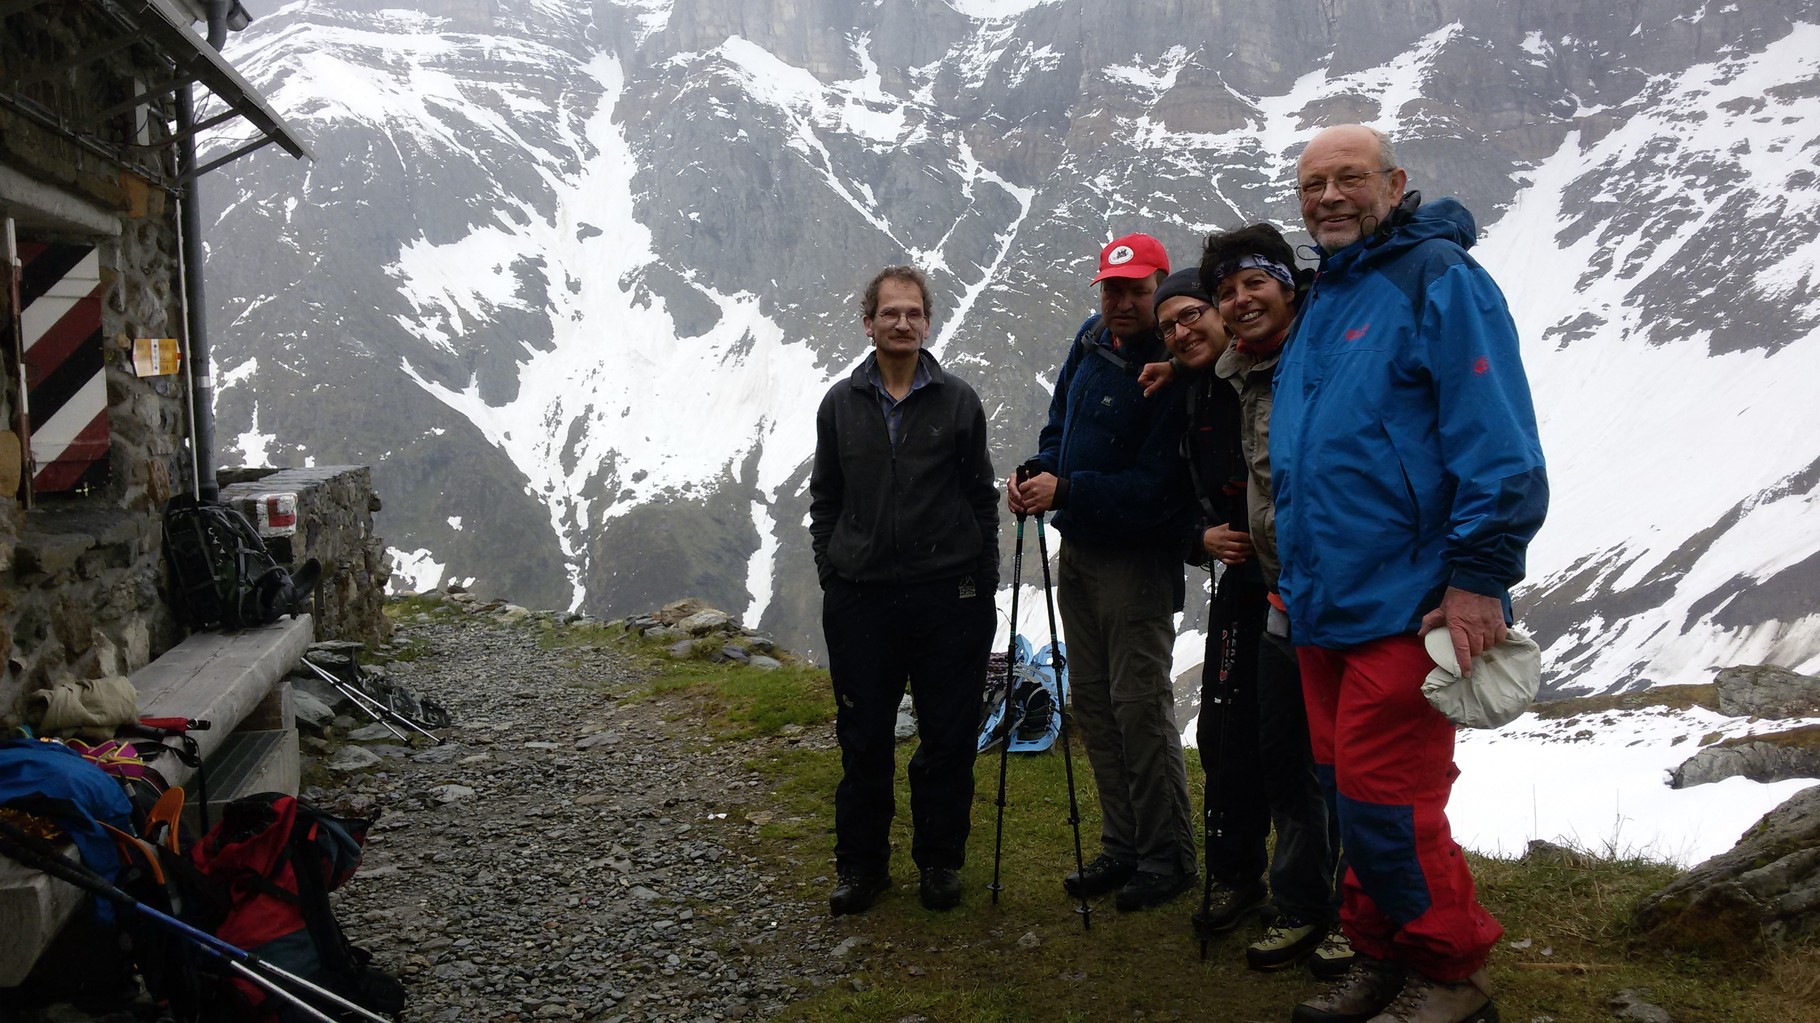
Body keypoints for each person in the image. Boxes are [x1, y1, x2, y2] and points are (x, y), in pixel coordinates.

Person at [1274, 126, 1547, 1023]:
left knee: (1388, 799)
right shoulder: (1328, 291)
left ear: (1394, 185)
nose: (1329, 197)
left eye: (1349, 179)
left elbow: (1497, 440)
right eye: (1313, 185)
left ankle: (1450, 972)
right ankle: (1382, 952)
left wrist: (1478, 576)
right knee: (1344, 792)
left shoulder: (1439, 279)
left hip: (1409, 603)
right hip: (1325, 603)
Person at [1008, 234, 1196, 912]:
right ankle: (1123, 845)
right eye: (1112, 289)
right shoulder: (1091, 340)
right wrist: (1038, 471)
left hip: (1137, 560)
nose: (1121, 302)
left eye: (1137, 290)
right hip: (1082, 551)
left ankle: (1167, 856)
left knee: (1139, 705)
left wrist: (1067, 489)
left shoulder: (1173, 369)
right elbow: (1060, 425)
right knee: (1091, 699)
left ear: (1159, 287)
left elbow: (1157, 489)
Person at [808, 265, 1001, 916]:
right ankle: (861, 867)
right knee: (863, 738)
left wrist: (981, 586)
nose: (902, 323)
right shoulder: (840, 404)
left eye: (913, 312)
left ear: (928, 322)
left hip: (948, 598)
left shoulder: (958, 402)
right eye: (889, 312)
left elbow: (980, 499)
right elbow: (826, 498)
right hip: (861, 599)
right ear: (868, 323)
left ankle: (940, 862)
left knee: (947, 737)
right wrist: (833, 573)